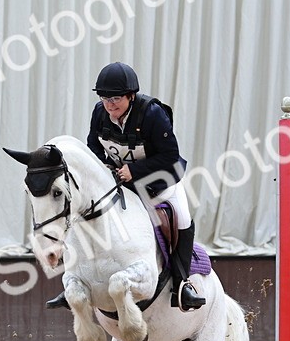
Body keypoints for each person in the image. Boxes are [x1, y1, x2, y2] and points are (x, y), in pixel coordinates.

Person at [46, 61, 205, 312]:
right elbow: (94, 148)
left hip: (160, 182)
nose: (110, 105)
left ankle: (182, 284)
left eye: (116, 98)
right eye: (104, 98)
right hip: (122, 182)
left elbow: (170, 155)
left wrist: (135, 170)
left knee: (183, 220)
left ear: (131, 96)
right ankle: (74, 283)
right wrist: (106, 169)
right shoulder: (100, 113)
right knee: (84, 213)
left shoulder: (153, 114)